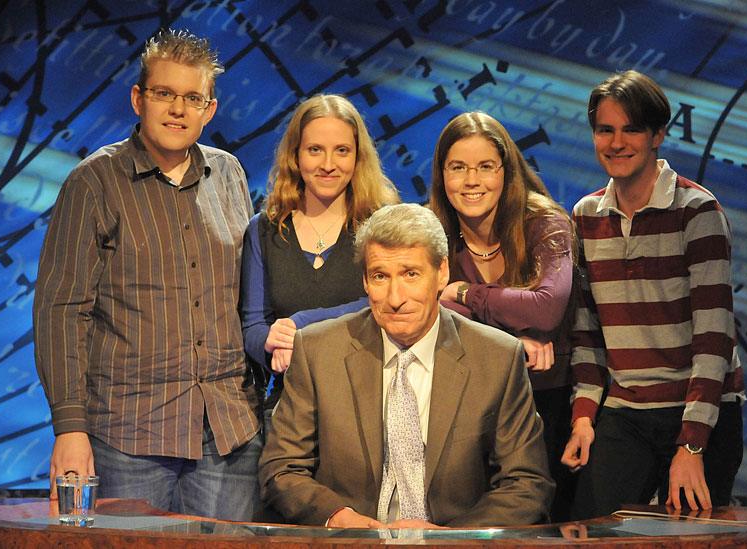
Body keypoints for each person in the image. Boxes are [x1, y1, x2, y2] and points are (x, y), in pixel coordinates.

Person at [33, 29, 262, 520]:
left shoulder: (230, 174)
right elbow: (61, 311)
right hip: (129, 437)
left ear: (210, 110)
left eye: (192, 98)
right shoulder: (93, 183)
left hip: (229, 435)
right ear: (139, 99)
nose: (178, 109)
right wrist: (70, 429)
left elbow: (250, 296)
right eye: (165, 94)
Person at [259, 203, 553, 527]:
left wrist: (447, 539)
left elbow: (527, 484)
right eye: (380, 276)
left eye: (410, 274)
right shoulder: (318, 350)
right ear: (365, 281)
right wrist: (337, 517)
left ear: (441, 272)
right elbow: (282, 468)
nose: (395, 297)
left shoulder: (496, 357)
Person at [561, 70, 745, 518]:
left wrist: (692, 447)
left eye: (631, 129)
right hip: (626, 409)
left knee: (688, 535)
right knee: (591, 527)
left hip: (699, 411)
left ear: (658, 134)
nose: (617, 142)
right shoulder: (586, 215)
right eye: (605, 130)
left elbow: (714, 336)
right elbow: (587, 332)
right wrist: (584, 416)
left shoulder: (697, 212)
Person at [428, 111, 577, 521]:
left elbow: (546, 308)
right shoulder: (433, 232)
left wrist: (463, 292)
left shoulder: (545, 222)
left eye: (485, 167)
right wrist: (512, 343)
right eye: (458, 168)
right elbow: (424, 310)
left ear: (506, 172)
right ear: (442, 175)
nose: (471, 181)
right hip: (468, 407)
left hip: (550, 402)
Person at [240, 94, 398, 413]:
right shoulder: (264, 229)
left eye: (342, 151)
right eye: (315, 150)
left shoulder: (383, 224)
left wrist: (301, 325)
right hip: (291, 407)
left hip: (370, 404)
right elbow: (253, 325)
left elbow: (383, 304)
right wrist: (274, 344)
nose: (328, 165)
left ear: (357, 157)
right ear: (296, 156)